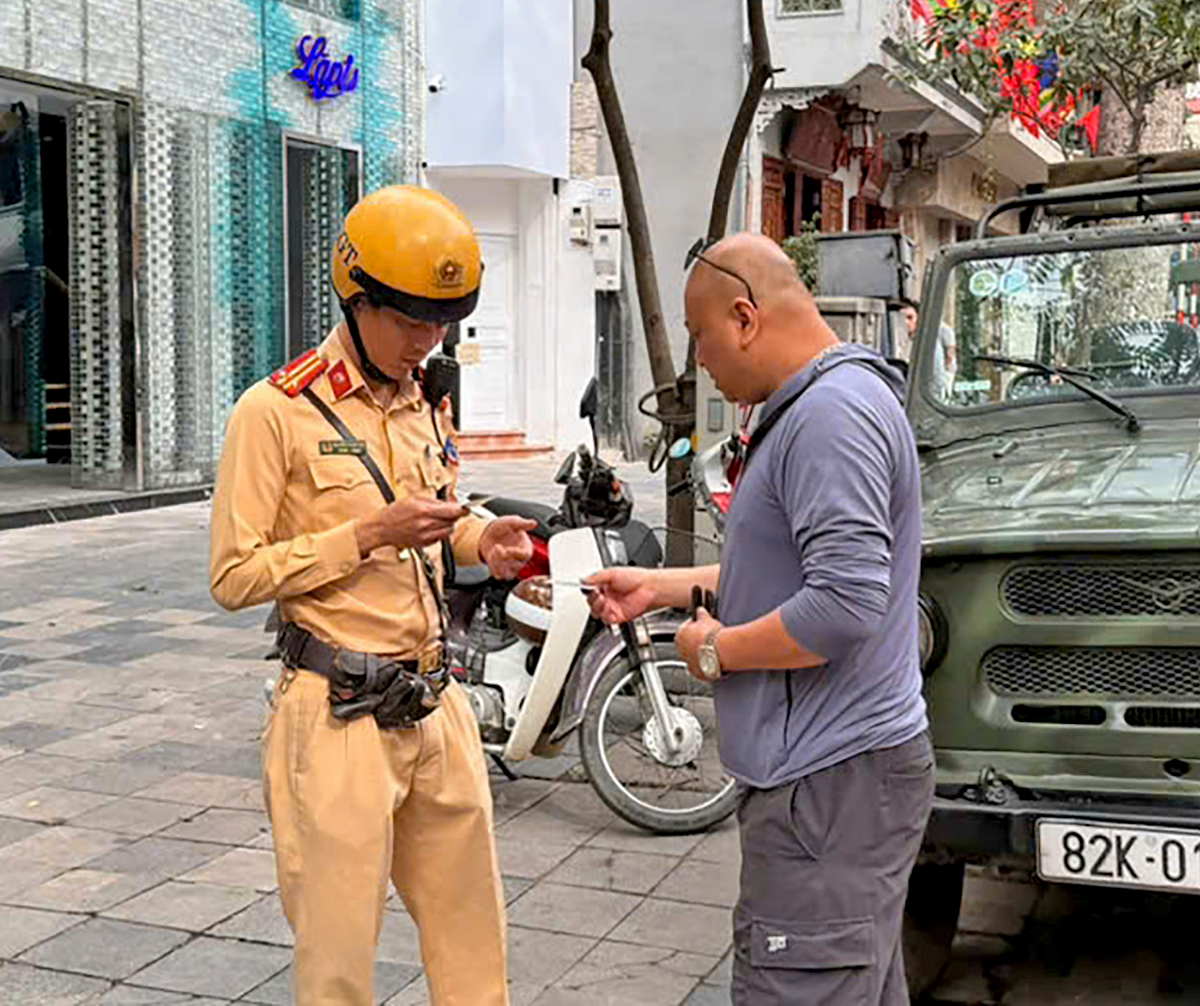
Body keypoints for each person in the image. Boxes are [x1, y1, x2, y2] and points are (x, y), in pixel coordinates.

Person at [210, 186, 536, 1005]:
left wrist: (475, 538)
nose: (425, 341)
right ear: (355, 301)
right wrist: (363, 536)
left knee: (474, 943)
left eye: (441, 323)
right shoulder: (273, 413)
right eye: (407, 320)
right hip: (336, 716)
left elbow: (434, 514)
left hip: (435, 699)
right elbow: (234, 575)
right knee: (339, 961)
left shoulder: (426, 398)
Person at [586, 233, 932, 1006]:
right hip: (844, 782)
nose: (699, 359)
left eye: (702, 336)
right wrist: (664, 588)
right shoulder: (827, 402)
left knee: (801, 983)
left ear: (744, 317)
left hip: (829, 784)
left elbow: (844, 604)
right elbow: (792, 574)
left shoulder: (830, 418)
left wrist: (716, 654)